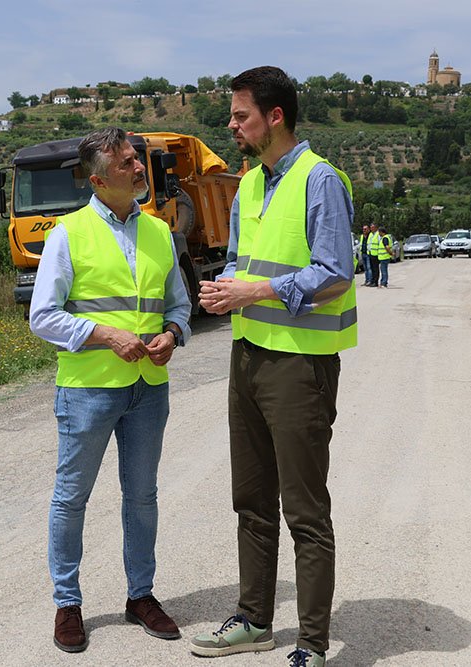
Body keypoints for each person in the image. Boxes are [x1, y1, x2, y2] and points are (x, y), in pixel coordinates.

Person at [191, 66, 357, 667]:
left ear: (275, 117)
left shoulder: (320, 180)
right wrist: (224, 286)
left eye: (241, 116)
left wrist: (253, 292)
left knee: (304, 511)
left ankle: (311, 645)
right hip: (248, 357)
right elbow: (242, 260)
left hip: (299, 366)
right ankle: (255, 620)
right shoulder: (251, 183)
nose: (231, 125)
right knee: (251, 499)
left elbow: (335, 272)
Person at [29, 127, 191, 653]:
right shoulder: (67, 234)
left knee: (142, 497)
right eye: (126, 163)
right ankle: (67, 604)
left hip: (149, 388)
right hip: (89, 389)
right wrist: (102, 334)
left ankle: (140, 596)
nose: (139, 168)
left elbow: (179, 306)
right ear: (99, 179)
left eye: (137, 160)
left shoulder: (160, 232)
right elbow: (43, 317)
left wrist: (171, 335)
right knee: (71, 498)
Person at [366, 222, 380, 286]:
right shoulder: (371, 234)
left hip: (376, 254)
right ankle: (372, 281)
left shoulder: (378, 234)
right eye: (371, 227)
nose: (371, 228)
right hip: (370, 253)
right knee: (372, 268)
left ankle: (375, 282)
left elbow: (380, 243)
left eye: (372, 227)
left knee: (375, 269)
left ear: (376, 228)